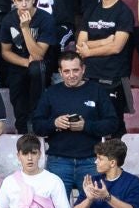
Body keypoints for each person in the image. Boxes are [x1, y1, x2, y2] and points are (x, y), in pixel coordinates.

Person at [30, 49, 119, 195]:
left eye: (75, 70)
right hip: (58, 160)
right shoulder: (51, 93)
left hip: (91, 160)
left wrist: (86, 126)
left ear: (83, 69)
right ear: (60, 71)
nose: (71, 75)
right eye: (66, 71)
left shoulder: (97, 91)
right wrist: (54, 124)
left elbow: (112, 124)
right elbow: (37, 126)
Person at [0, 133, 72, 208]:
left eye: (34, 153)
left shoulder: (54, 180)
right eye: (25, 154)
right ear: (18, 156)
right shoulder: (9, 181)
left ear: (40, 154)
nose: (30, 158)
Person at [71, 138, 139, 208]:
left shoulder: (133, 182)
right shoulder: (93, 181)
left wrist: (107, 197)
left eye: (100, 159)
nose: (95, 162)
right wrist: (89, 199)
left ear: (112, 163)